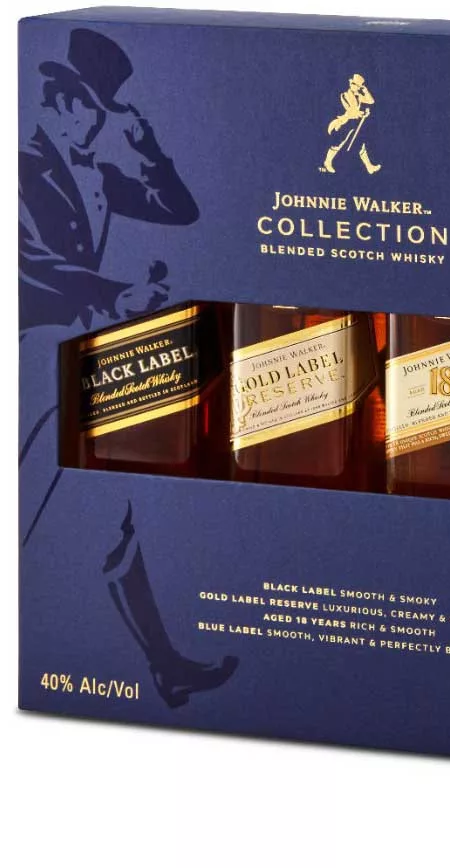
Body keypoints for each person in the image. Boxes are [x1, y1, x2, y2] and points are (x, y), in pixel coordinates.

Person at [19, 28, 238, 708]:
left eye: (101, 111)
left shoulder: (97, 175)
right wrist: (115, 292)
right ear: (59, 101)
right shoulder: (19, 167)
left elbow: (181, 209)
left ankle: (165, 664)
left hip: (76, 352)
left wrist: (146, 144)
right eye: (86, 108)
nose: (93, 123)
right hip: (24, 353)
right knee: (23, 500)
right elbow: (25, 261)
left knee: (113, 511)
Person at [320, 74, 381, 175]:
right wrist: (362, 113)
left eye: (358, 86)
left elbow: (371, 101)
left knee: (361, 144)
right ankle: (327, 162)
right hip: (345, 122)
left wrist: (365, 91)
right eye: (354, 84)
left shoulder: (358, 96)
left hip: (355, 123)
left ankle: (369, 167)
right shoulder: (344, 95)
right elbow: (350, 111)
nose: (355, 87)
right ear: (350, 83)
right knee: (338, 142)